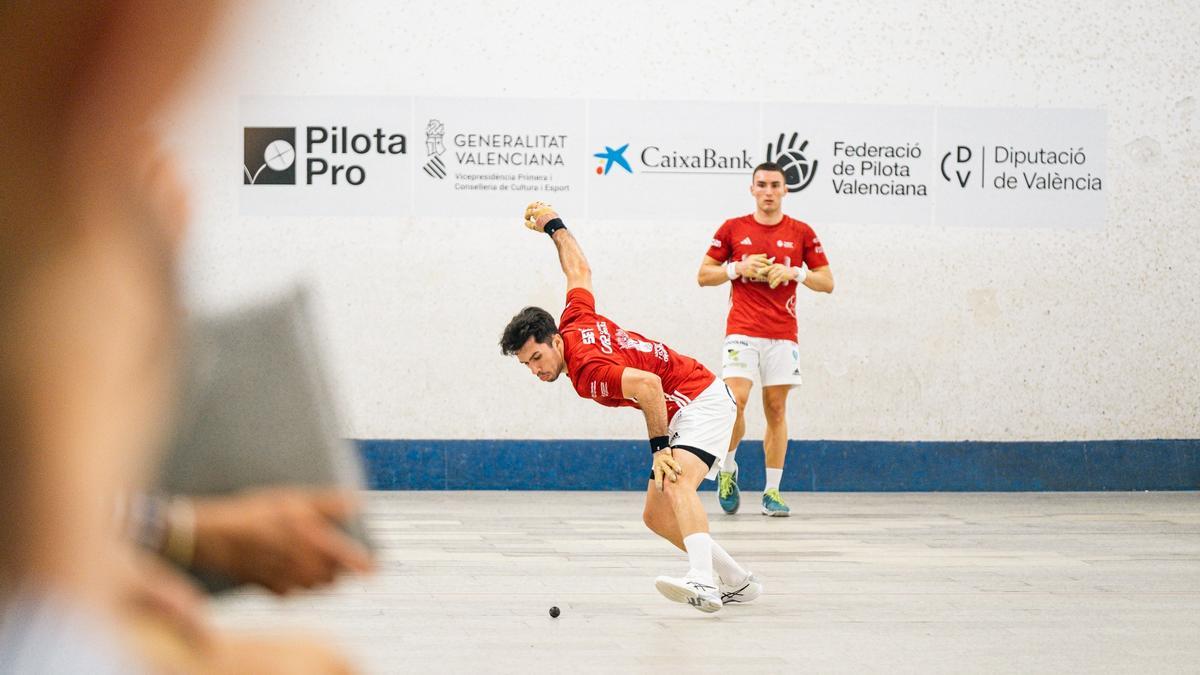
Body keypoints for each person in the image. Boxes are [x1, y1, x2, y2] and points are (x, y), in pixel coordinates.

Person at [500, 202, 761, 613]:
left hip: (700, 400)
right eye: (526, 365)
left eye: (536, 358)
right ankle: (737, 581)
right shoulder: (573, 318)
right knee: (657, 515)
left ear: (553, 341)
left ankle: (703, 582)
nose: (536, 370)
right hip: (687, 406)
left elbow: (649, 385)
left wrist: (660, 450)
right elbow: (578, 270)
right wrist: (555, 225)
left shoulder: (586, 370)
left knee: (675, 482)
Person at [697, 162, 834, 516]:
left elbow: (827, 282)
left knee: (775, 409)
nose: (769, 191)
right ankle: (728, 469)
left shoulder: (801, 232)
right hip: (741, 331)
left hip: (782, 335)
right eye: (762, 184)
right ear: (752, 189)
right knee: (735, 401)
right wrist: (737, 268)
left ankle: (772, 492)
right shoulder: (733, 229)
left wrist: (796, 272)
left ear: (786, 190)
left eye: (775, 185)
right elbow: (703, 276)